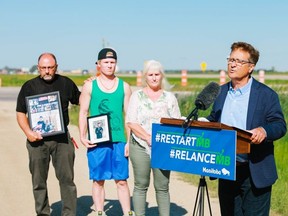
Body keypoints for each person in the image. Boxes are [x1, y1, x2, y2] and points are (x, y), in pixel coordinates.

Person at [206, 42, 287, 216]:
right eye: (230, 59)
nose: (232, 64)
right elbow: (214, 119)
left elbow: (279, 125)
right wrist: (201, 122)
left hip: (255, 170)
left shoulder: (266, 94)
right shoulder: (220, 93)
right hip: (226, 168)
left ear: (251, 67)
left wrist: (264, 131)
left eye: (238, 61)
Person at [16, 53, 81, 215]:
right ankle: (43, 212)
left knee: (67, 180)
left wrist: (91, 86)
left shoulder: (66, 83)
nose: (47, 71)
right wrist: (28, 132)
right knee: (38, 181)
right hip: (37, 141)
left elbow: (81, 101)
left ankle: (69, 213)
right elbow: (20, 113)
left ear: (56, 67)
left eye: (50, 67)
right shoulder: (29, 87)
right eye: (43, 68)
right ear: (38, 68)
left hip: (62, 140)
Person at [78, 48, 134, 216]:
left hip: (119, 140)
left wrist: (129, 142)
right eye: (106, 62)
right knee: (98, 180)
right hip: (98, 140)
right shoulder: (90, 85)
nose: (110, 66)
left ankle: (127, 212)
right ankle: (100, 211)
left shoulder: (124, 86)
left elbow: (128, 117)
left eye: (112, 62)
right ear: (99, 64)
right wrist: (82, 135)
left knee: (122, 180)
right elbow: (83, 112)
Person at [126, 60, 181, 216]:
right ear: (145, 76)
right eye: (150, 75)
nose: (154, 78)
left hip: (162, 148)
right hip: (140, 145)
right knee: (141, 185)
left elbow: (176, 122)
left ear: (161, 76)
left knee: (162, 186)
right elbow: (131, 121)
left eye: (157, 74)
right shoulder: (137, 96)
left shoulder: (170, 97)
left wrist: (163, 140)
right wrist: (148, 137)